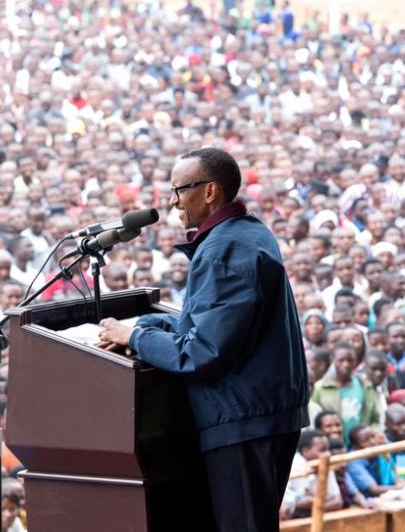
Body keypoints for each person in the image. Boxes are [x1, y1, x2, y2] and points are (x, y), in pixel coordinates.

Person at [99, 148, 308, 530]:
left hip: (242, 416)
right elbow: (216, 324)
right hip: (262, 410)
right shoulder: (248, 231)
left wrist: (134, 336)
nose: (173, 201)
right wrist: (150, 328)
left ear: (210, 191)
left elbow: (204, 351)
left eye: (179, 189)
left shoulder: (223, 249)